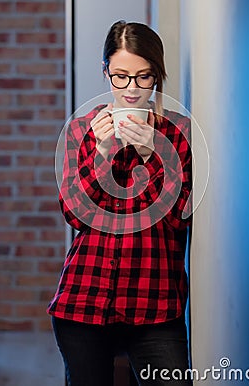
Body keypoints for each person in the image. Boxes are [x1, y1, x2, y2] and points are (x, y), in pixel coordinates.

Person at [47, 21, 193, 385]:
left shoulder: (179, 132)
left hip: (156, 306)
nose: (131, 88)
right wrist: (102, 151)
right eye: (121, 76)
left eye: (144, 77)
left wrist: (152, 152)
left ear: (157, 76)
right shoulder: (81, 129)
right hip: (84, 302)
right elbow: (75, 215)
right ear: (106, 71)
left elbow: (178, 217)